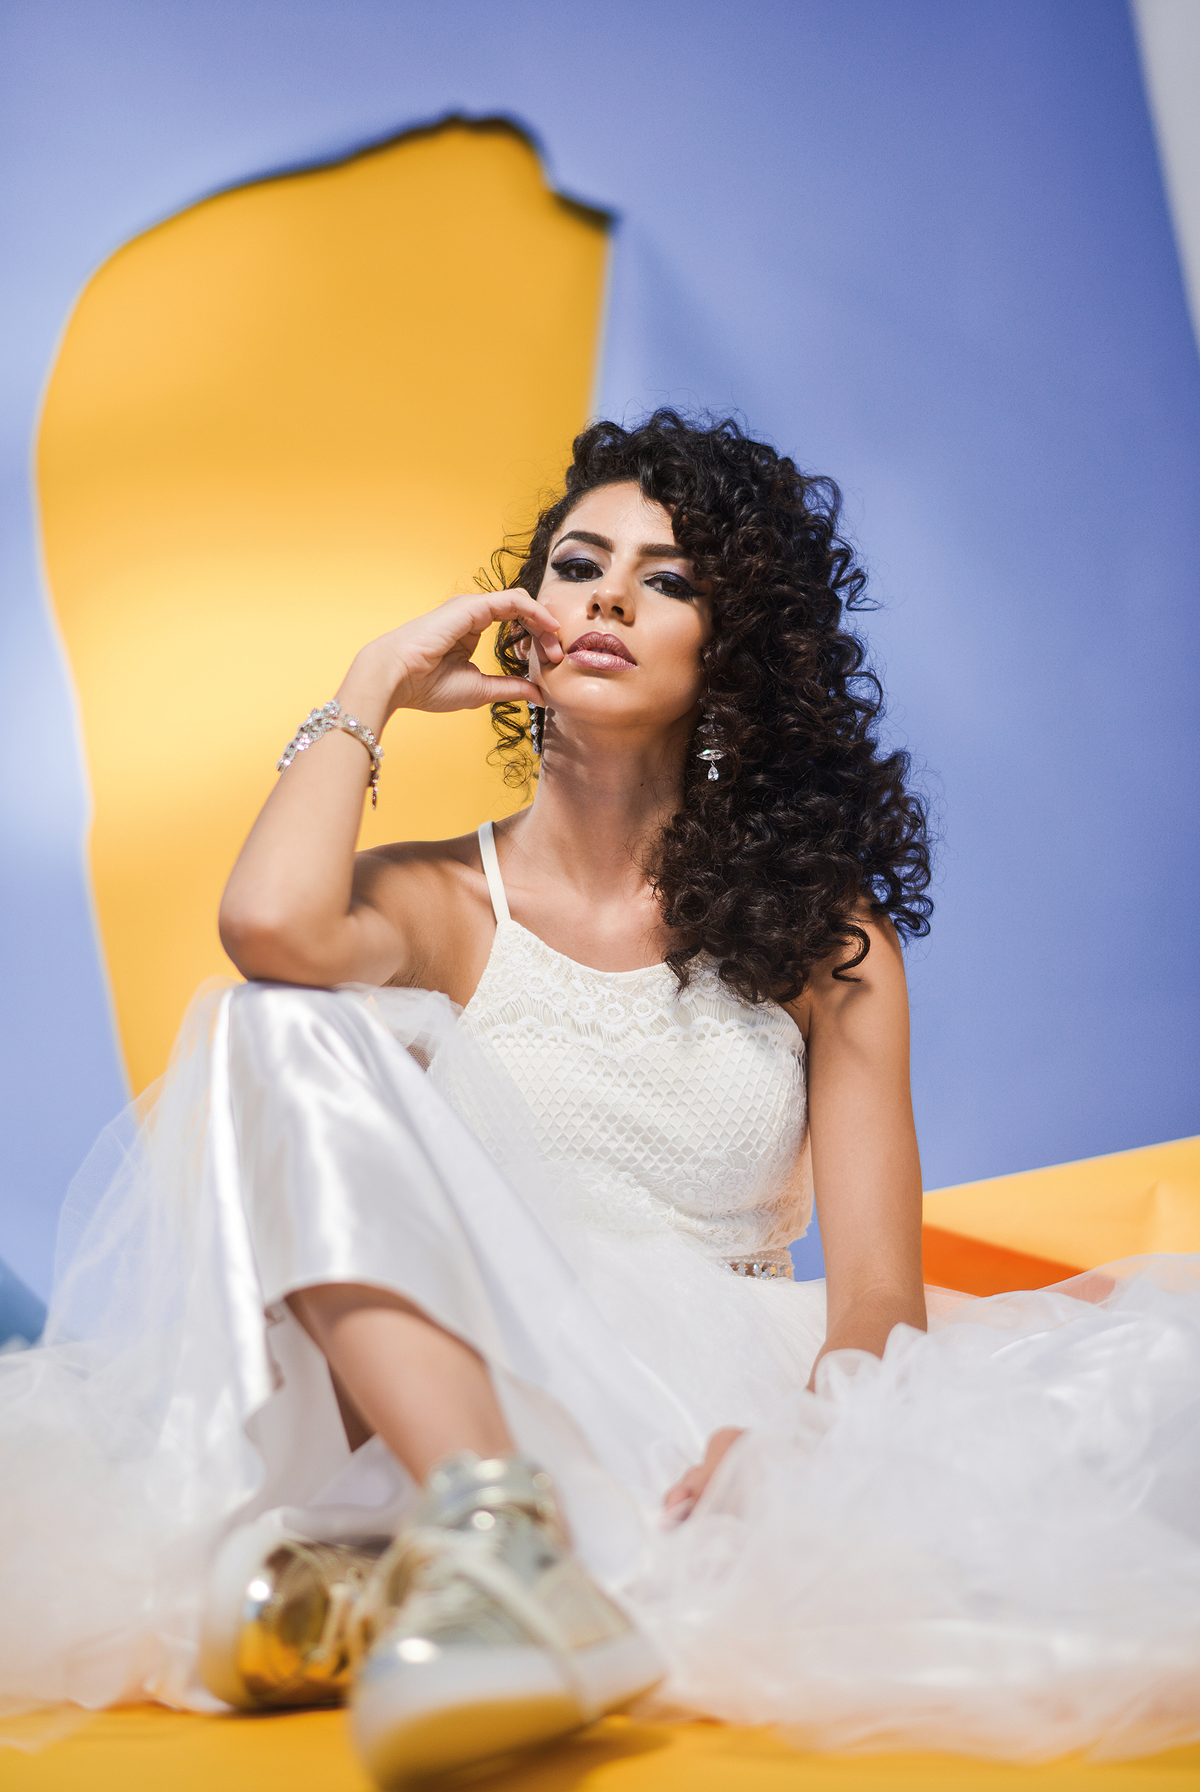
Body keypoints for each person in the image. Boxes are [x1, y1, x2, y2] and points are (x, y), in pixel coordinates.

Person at [3, 414, 1198, 1782]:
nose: (610, 598)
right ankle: (495, 1535)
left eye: (668, 580)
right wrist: (371, 683)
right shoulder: (438, 900)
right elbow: (268, 927)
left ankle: (400, 1576)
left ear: (733, 653)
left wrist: (809, 1449)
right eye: (577, 565)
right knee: (271, 1018)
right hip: (476, 1389)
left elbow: (878, 1290)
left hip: (715, 1394)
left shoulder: (829, 940)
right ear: (524, 622)